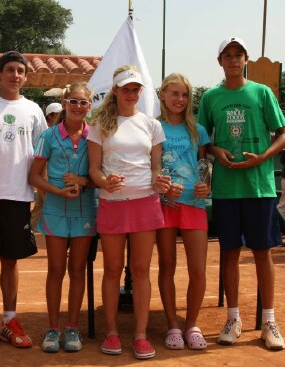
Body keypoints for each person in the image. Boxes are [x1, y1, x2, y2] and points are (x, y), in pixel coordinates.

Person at [197, 37, 285, 351]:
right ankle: (233, 319)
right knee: (230, 254)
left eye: (239, 55)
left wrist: (264, 157)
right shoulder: (210, 97)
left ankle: (268, 321)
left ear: (246, 59)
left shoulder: (262, 92)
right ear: (219, 61)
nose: (234, 60)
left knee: (263, 253)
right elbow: (201, 140)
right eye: (228, 55)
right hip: (225, 189)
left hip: (259, 187)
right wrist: (214, 151)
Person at [88, 65, 170, 360]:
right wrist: (104, 182)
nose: (131, 93)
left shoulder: (152, 125)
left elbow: (156, 167)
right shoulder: (98, 124)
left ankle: (140, 335)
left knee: (140, 271)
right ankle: (111, 333)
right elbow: (94, 170)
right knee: (111, 270)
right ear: (115, 90)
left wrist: (159, 179)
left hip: (145, 203)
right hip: (112, 205)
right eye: (126, 88)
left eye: (136, 89)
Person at [0, 51, 47, 349]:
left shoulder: (33, 110)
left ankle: (9, 319)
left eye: (20, 71)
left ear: (26, 77)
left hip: (18, 197)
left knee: (10, 261)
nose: (15, 76)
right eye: (10, 70)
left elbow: (43, 152)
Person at [29, 82, 97, 353]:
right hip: (55, 211)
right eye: (74, 101)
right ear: (65, 103)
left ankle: (72, 328)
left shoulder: (96, 137)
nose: (78, 106)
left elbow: (99, 176)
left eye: (83, 102)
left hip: (85, 212)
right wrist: (57, 190)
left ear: (89, 106)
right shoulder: (48, 136)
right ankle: (53, 327)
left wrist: (83, 180)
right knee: (55, 270)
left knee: (77, 270)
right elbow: (33, 176)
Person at [156, 73, 211, 350]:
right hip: (165, 207)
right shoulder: (153, 127)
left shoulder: (197, 130)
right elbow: (151, 168)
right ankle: (172, 326)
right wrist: (163, 189)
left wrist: (206, 186)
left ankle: (191, 324)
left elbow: (203, 166)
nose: (179, 99)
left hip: (194, 206)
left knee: (198, 270)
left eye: (185, 95)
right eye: (174, 93)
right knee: (167, 267)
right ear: (162, 95)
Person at [30, 102, 63, 231]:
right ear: (50, 117)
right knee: (42, 205)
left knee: (40, 205)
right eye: (56, 114)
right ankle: (30, 234)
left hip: (54, 178)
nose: (60, 116)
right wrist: (43, 181)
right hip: (46, 178)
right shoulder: (46, 134)